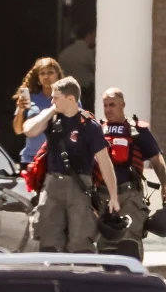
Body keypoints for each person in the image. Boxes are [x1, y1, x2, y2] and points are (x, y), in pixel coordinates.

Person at [22, 77, 119, 253]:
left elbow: (105, 162)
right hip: (53, 185)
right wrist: (51, 110)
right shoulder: (51, 119)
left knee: (81, 241)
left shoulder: (89, 126)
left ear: (70, 99)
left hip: (80, 187)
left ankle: (81, 277)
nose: (52, 101)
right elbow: (29, 130)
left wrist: (114, 196)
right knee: (49, 240)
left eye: (56, 98)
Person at [95, 88, 166, 254]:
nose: (108, 109)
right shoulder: (97, 130)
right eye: (105, 105)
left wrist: (165, 185)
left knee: (129, 242)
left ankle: (132, 278)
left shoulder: (137, 130)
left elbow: (156, 160)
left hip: (130, 195)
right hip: (102, 195)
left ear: (123, 105)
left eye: (112, 105)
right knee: (103, 243)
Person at [12, 57, 63, 170]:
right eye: (42, 73)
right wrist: (20, 110)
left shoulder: (67, 97)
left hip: (58, 159)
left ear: (58, 75)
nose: (46, 77)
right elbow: (18, 130)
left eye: (50, 72)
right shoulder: (30, 98)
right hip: (31, 159)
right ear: (38, 78)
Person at [58, 25, 96, 105]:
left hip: (67, 93)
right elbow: (96, 70)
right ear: (89, 35)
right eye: (94, 35)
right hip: (86, 94)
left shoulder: (64, 53)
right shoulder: (88, 53)